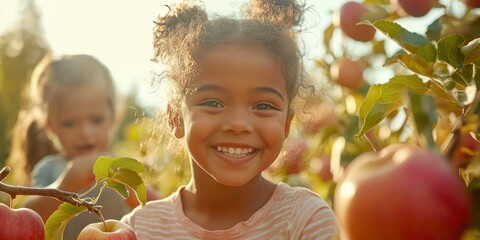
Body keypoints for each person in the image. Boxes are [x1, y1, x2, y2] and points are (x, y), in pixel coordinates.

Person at [121, 0, 341, 239]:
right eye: (213, 103)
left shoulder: (305, 219)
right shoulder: (139, 228)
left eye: (263, 106)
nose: (238, 123)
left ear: (287, 124)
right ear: (176, 117)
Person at [21, 54, 132, 239]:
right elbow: (29, 214)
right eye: (69, 123)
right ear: (50, 126)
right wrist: (65, 184)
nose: (85, 132)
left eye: (96, 120)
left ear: (113, 116)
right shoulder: (50, 169)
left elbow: (154, 208)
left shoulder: (119, 167)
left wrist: (137, 190)